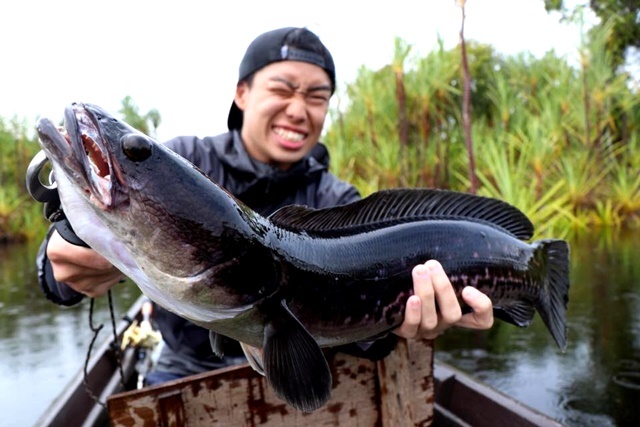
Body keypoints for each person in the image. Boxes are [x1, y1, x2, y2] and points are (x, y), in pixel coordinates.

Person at [37, 27, 494, 386]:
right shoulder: (189, 160)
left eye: (318, 97)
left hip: (311, 384)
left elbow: (365, 345)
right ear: (241, 94)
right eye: (283, 88)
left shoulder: (339, 203)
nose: (299, 109)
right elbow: (56, 278)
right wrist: (65, 253)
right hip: (186, 370)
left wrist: (400, 328)